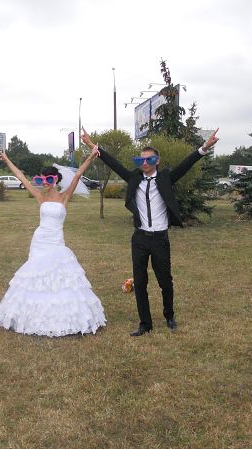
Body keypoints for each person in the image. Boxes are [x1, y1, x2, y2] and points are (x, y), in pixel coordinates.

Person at [81, 127, 219, 336]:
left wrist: (204, 147)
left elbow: (185, 165)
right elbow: (114, 164)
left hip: (160, 239)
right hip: (140, 239)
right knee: (140, 282)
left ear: (157, 161)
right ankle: (145, 324)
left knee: (165, 281)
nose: (144, 163)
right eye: (141, 160)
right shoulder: (134, 178)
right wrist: (93, 146)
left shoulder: (165, 178)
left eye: (149, 159)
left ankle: (169, 316)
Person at [0, 145, 106, 337]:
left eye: (49, 179)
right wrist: (6, 159)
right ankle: (33, 316)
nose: (45, 183)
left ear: (56, 180)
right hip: (40, 241)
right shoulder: (40, 196)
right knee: (36, 276)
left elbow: (78, 174)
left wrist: (91, 156)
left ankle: (59, 317)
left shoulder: (64, 197)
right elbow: (20, 176)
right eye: (41, 180)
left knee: (59, 276)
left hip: (56, 242)